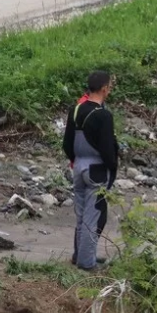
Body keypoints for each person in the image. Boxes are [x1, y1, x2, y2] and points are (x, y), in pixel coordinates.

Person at [63, 71, 118, 271]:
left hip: (78, 167)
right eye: (110, 87)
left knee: (81, 214)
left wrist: (75, 160)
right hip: (97, 170)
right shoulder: (103, 115)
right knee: (93, 216)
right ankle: (87, 263)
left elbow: (67, 143)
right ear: (104, 89)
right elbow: (107, 148)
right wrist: (112, 167)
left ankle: (80, 255)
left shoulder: (76, 110)